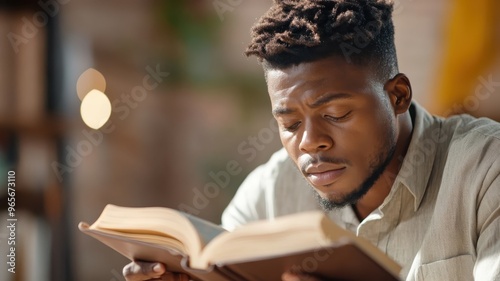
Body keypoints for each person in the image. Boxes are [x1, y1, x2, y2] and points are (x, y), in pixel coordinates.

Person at [123, 0, 500, 280]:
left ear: (397, 96)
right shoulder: (269, 196)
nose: (309, 142)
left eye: (335, 115)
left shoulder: (485, 170)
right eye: (289, 124)